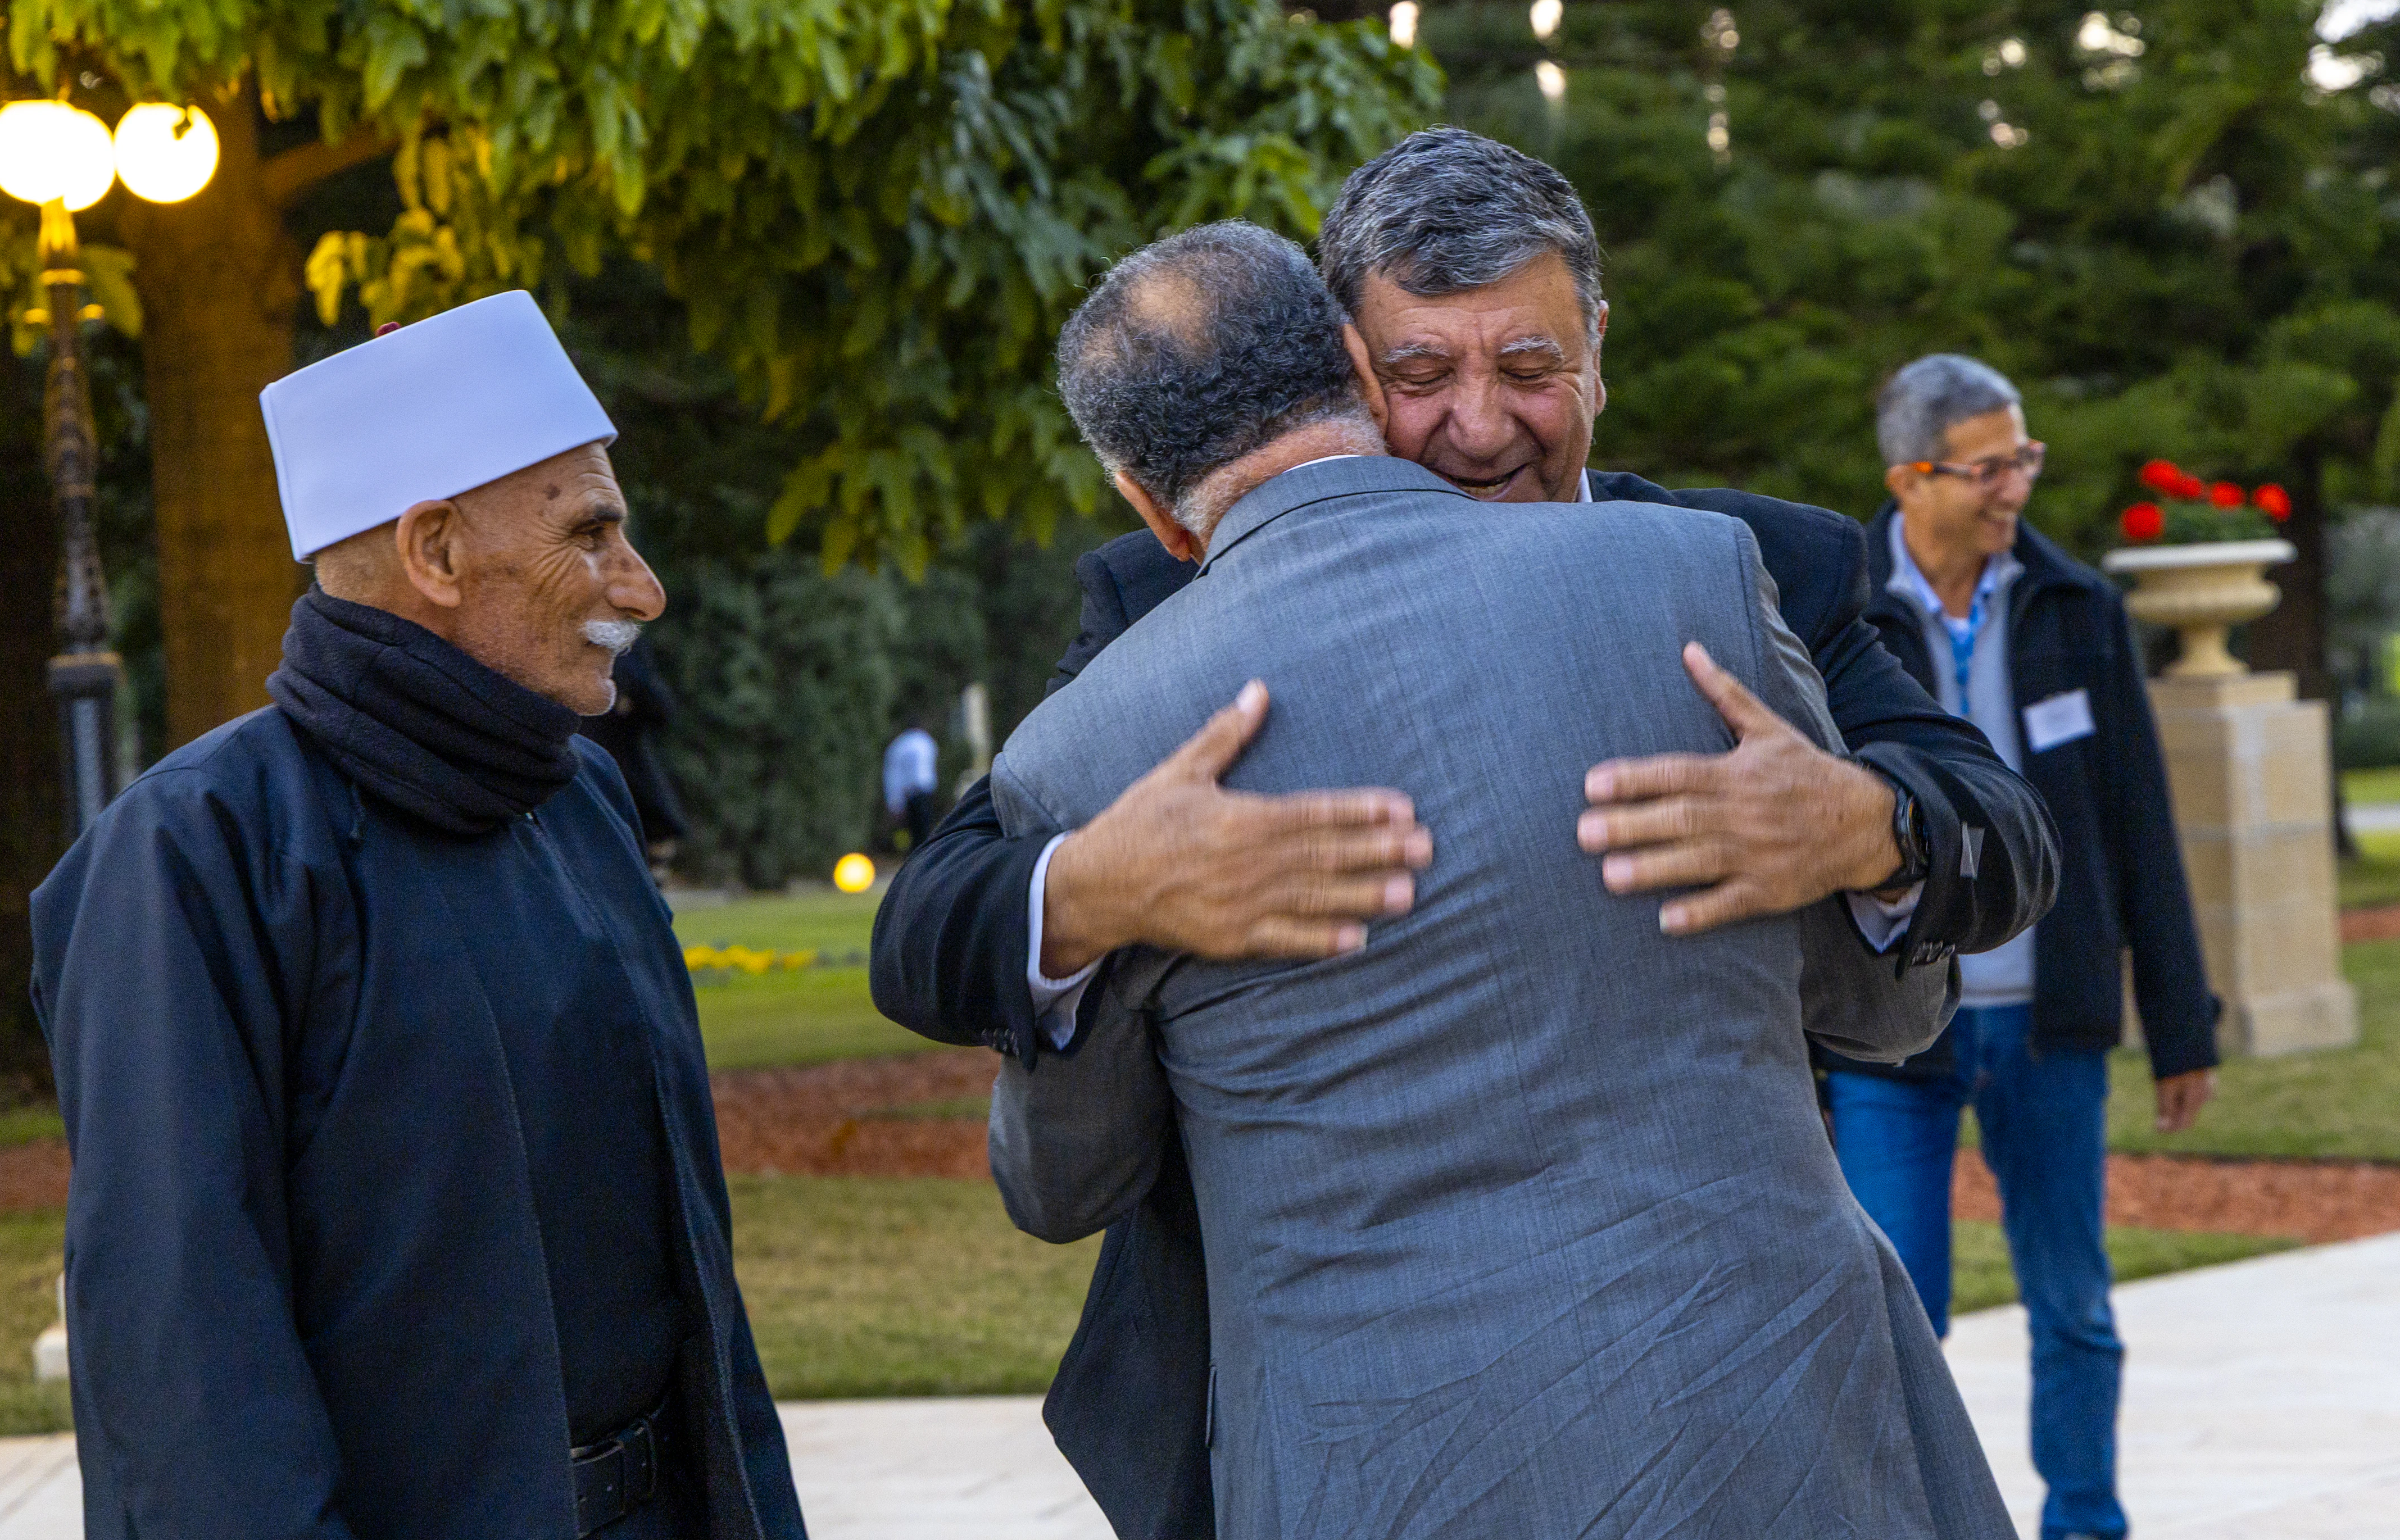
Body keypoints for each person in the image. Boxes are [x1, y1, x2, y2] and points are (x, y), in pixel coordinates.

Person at [870, 128, 2059, 1537]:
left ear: (1597, 352)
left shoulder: (1738, 565)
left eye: (1528, 368)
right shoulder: (1153, 605)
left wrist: (1866, 827)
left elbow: (2000, 834)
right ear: (1342, 372)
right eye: (1420, 375)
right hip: (1338, 1398)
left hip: (1733, 1382)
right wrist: (1090, 889)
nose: (1479, 425)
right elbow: (931, 916)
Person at [31, 292, 804, 1540]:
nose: (641, 588)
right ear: (434, 552)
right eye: (592, 533)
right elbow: (183, 1367)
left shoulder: (580, 794)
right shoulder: (194, 852)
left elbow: (690, 1276)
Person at [1831, 353, 2222, 1540]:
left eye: (2025, 458)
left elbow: (2139, 825)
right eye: (1991, 465)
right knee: (1901, 1317)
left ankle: (2087, 1526)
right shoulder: (1837, 607)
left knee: (2075, 1307)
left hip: (2049, 1025)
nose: (2016, 485)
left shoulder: (2075, 607)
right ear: (1912, 478)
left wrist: (2181, 1021)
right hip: (1896, 1035)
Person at [580, 638, 693, 874]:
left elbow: (662, 709)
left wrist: (630, 694)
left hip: (628, 767)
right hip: (584, 768)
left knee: (658, 831)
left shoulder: (629, 647)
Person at [882, 721, 940, 853]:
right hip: (925, 793)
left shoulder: (899, 745)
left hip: (908, 795)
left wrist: (895, 803)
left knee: (911, 833)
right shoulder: (926, 741)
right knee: (924, 831)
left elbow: (893, 776)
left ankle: (911, 856)